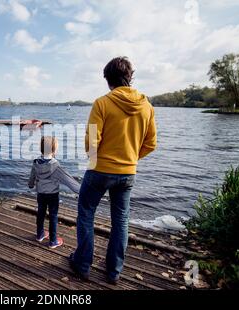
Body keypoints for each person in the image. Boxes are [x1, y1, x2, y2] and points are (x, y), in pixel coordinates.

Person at [69, 57, 157, 284]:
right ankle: (113, 271)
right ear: (130, 76)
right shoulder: (147, 106)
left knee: (86, 214)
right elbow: (151, 143)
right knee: (121, 220)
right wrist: (130, 159)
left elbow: (91, 142)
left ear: (108, 80)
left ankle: (82, 265)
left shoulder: (102, 103)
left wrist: (99, 160)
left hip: (100, 169)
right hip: (128, 173)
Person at [29, 137, 81, 249]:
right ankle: (53, 241)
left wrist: (31, 184)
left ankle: (40, 234)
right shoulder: (55, 166)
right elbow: (69, 181)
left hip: (41, 194)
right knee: (53, 216)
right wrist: (82, 191)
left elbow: (32, 175)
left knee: (41, 213)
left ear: (41, 148)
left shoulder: (36, 163)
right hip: (53, 195)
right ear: (54, 150)